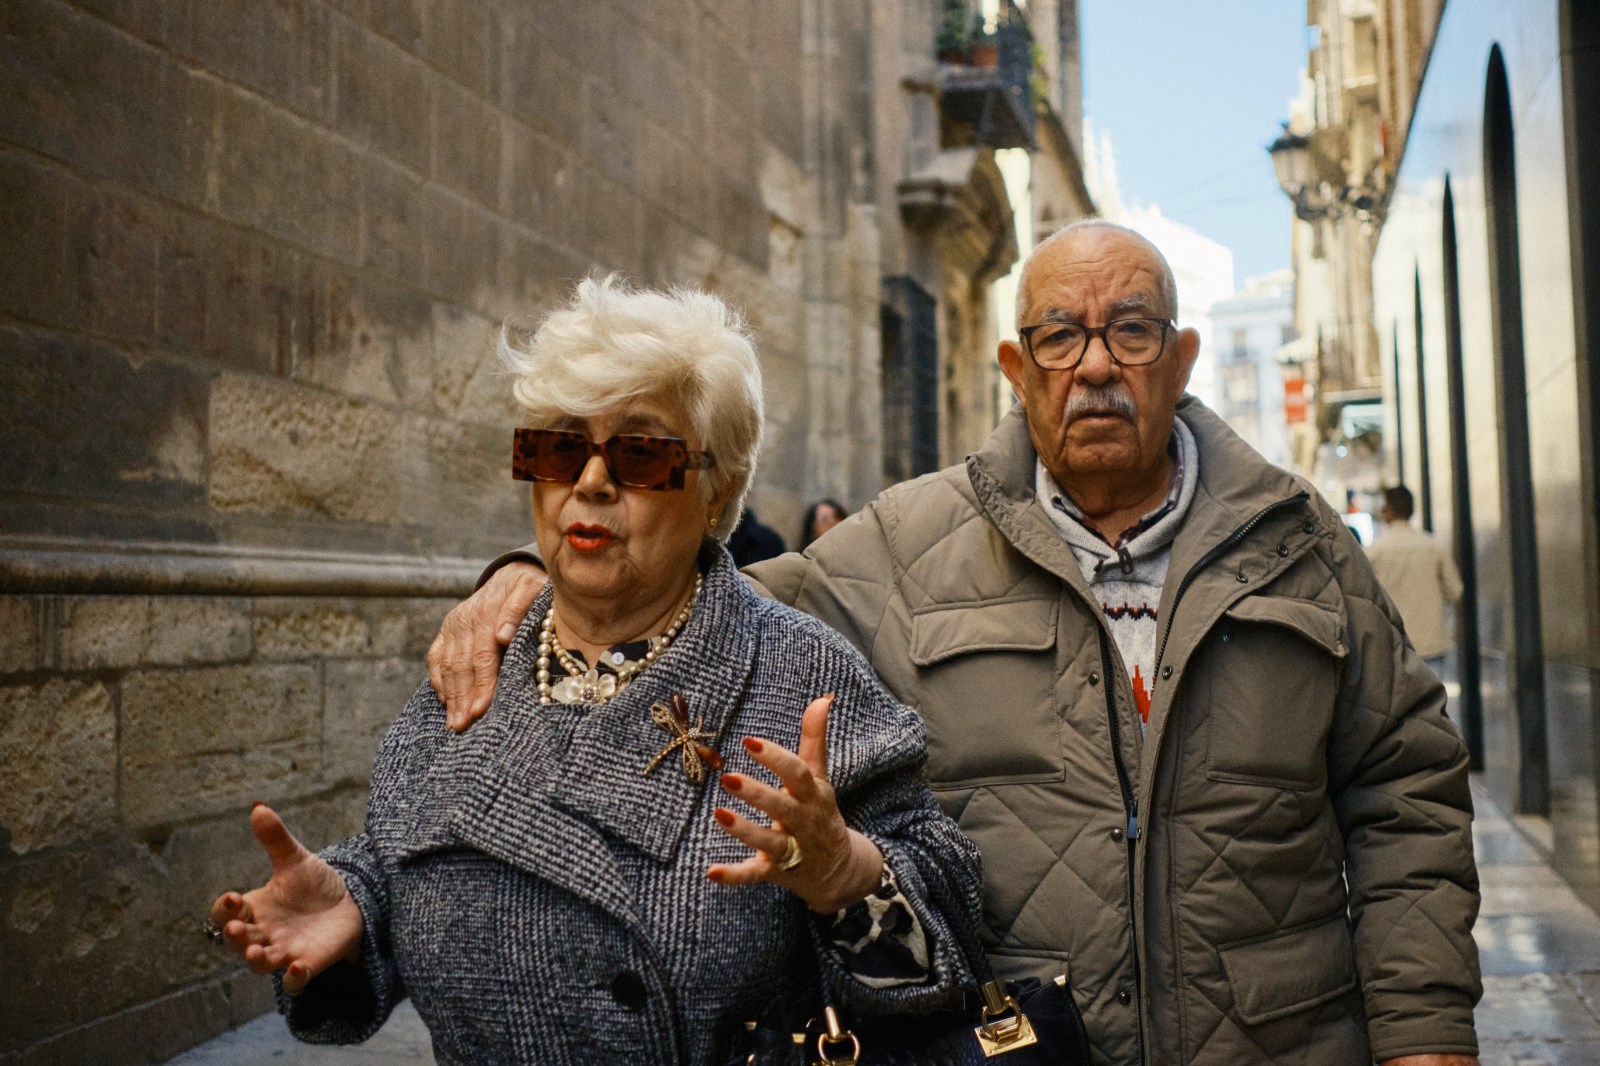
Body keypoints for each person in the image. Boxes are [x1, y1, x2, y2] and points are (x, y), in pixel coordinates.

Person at [431, 223, 1482, 1065]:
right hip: (1016, 1038)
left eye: (1131, 331)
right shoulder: (900, 545)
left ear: (1181, 357)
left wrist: (1427, 1035)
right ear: (1016, 369)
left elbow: (1405, 795)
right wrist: (527, 576)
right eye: (1061, 337)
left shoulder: (1298, 542)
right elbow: (691, 598)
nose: (1096, 366)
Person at [207, 277, 983, 1065]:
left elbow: (950, 930)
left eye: (641, 453)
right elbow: (405, 853)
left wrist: (845, 876)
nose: (589, 481)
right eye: (557, 446)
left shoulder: (798, 670)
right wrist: (354, 907)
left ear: (715, 493)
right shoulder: (476, 662)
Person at [1366, 485, 1463, 674]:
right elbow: (1455, 590)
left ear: (1389, 511)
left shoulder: (1373, 552)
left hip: (1393, 645)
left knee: (1400, 702)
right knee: (1433, 702)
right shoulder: (1433, 546)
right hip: (1431, 642)